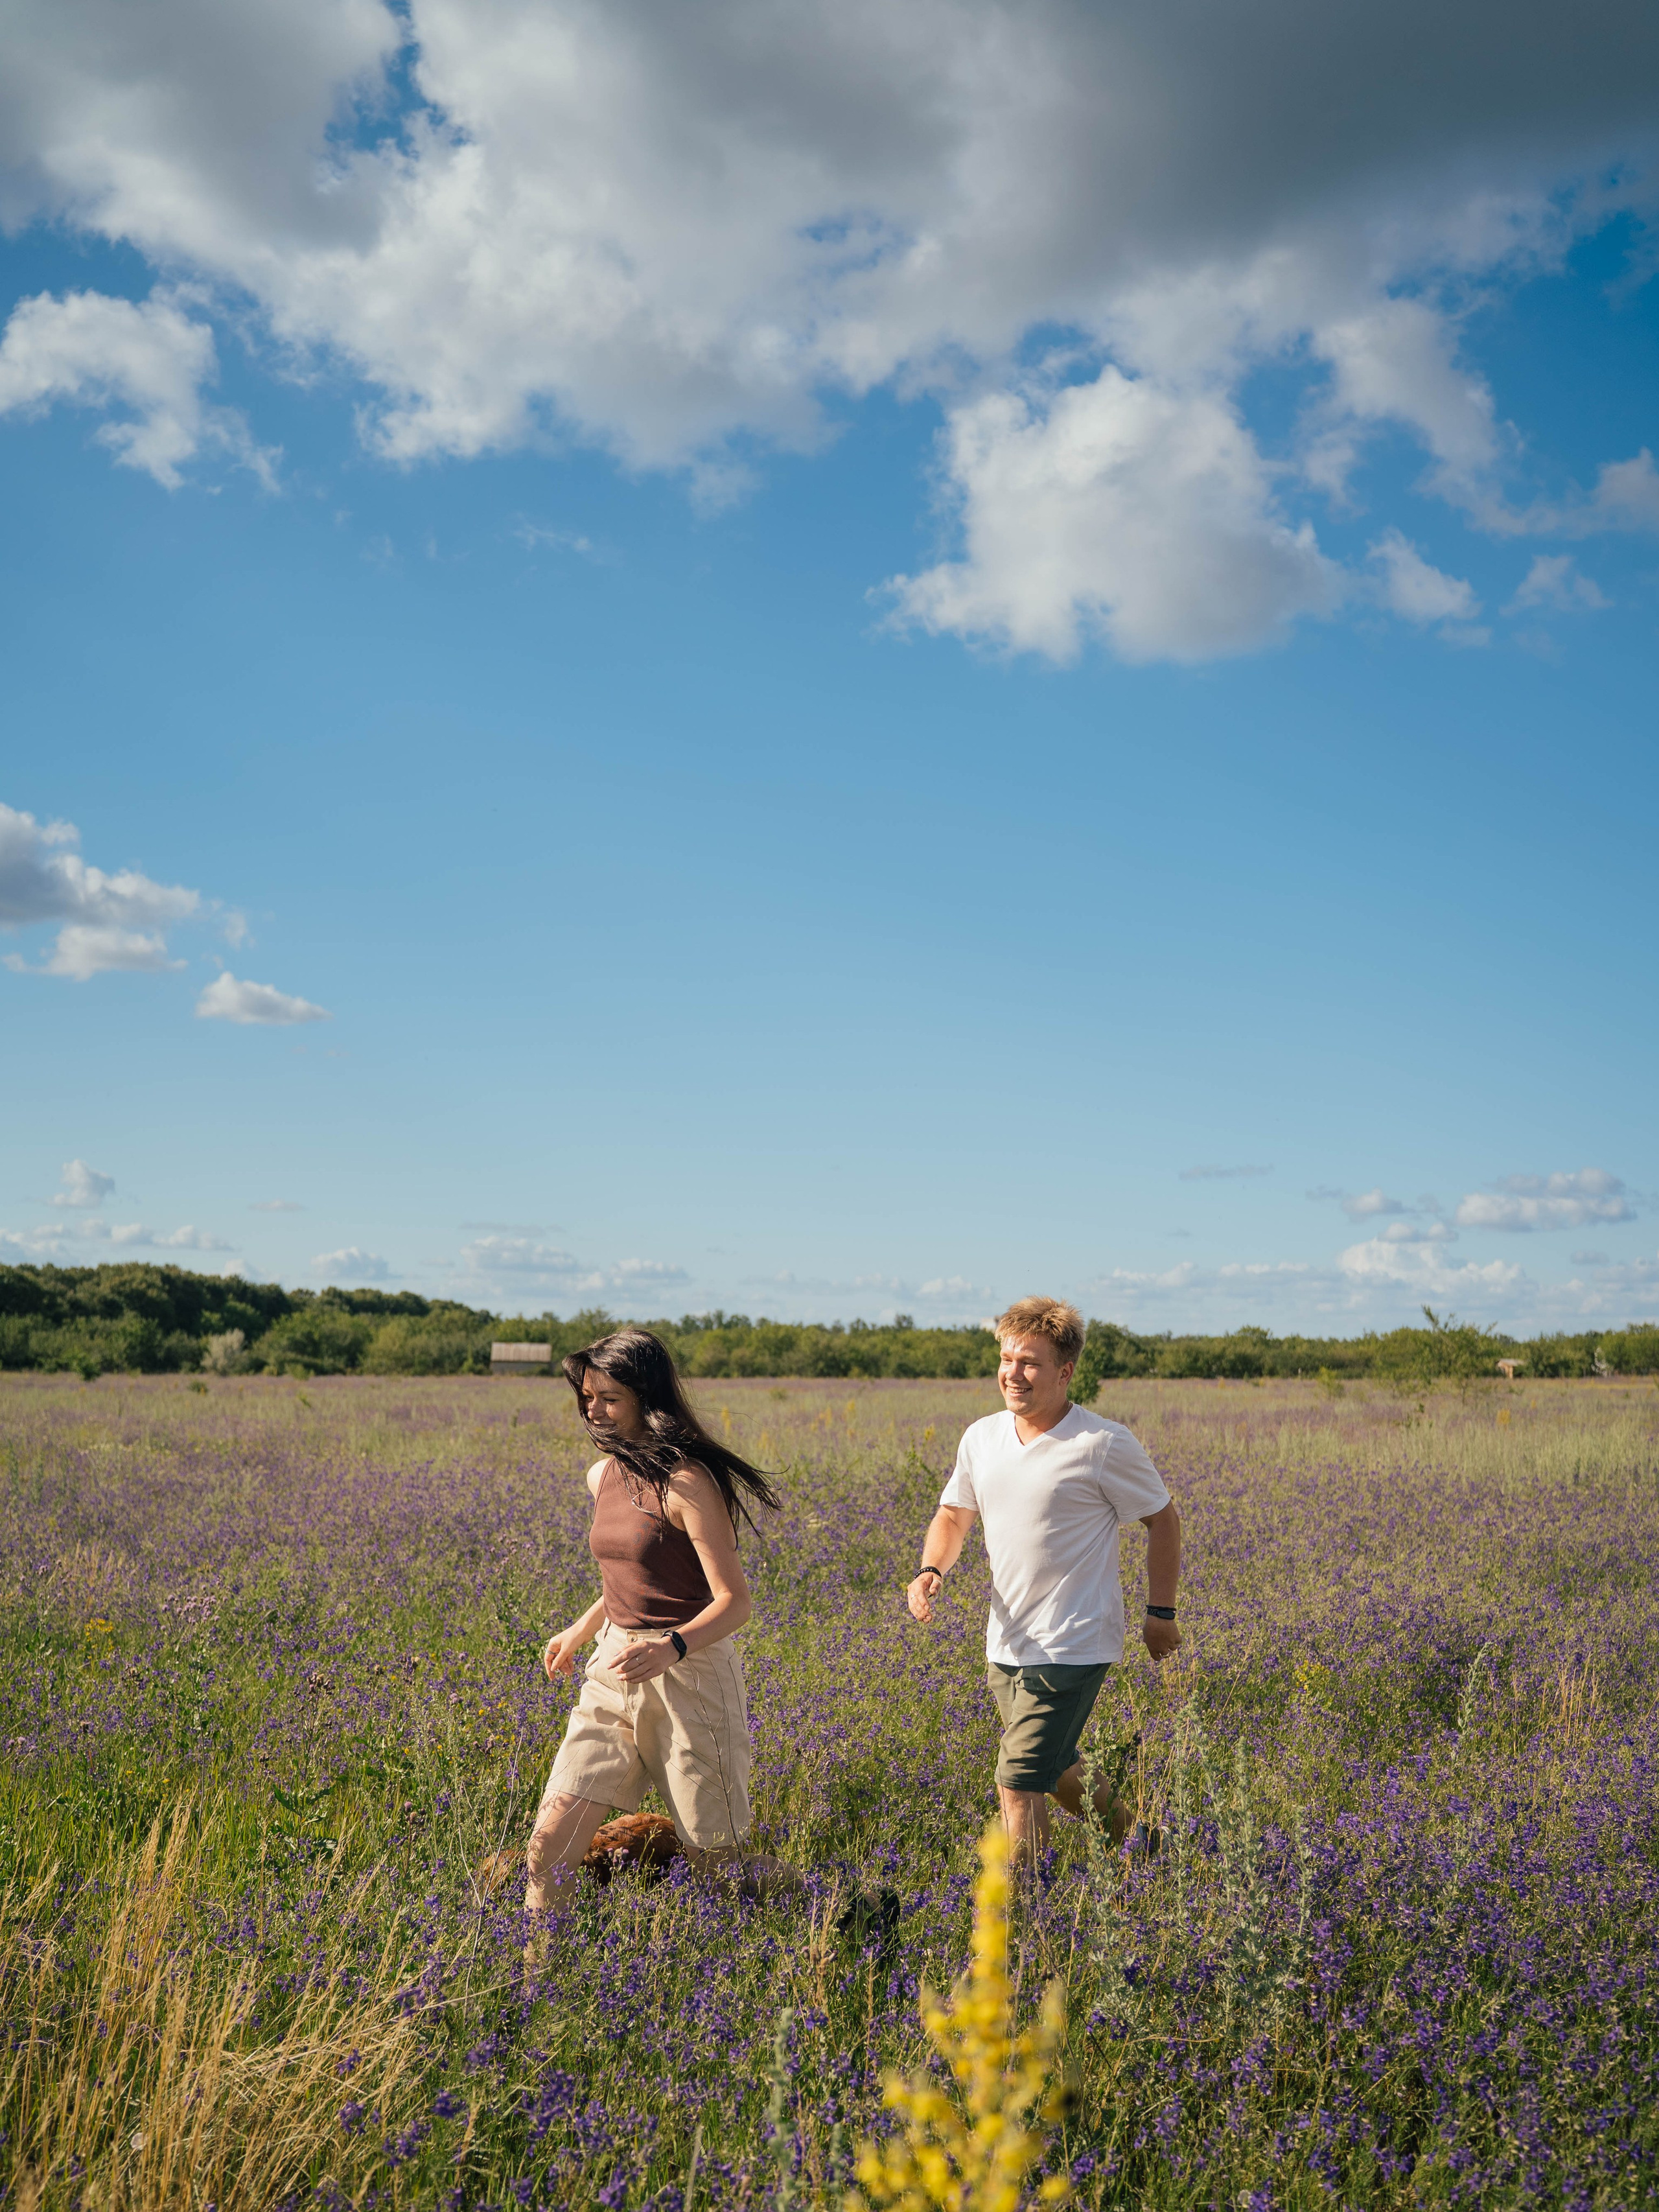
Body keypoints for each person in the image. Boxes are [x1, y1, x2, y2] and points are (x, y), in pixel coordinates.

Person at [907, 1296, 1181, 1865]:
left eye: (1030, 1362)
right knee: (1057, 1769)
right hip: (1006, 1642)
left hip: (1074, 1641)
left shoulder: (1101, 1443)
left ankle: (1030, 1914)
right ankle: (1145, 1847)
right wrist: (932, 1567)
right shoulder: (981, 1437)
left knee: (1018, 1778)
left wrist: (1162, 1613)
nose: (1013, 1373)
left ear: (1065, 1371)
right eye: (1007, 1359)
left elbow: (1163, 1518)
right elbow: (955, 1513)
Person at [524, 1327, 783, 1916]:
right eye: (587, 1396)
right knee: (548, 1850)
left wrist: (673, 1646)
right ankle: (535, 1992)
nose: (594, 1410)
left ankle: (847, 1906)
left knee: (719, 1869)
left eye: (609, 1397)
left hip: (690, 1673)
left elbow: (733, 1601)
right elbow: (631, 1574)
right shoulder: (603, 1476)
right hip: (613, 1667)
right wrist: (581, 1629)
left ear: (648, 1397)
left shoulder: (688, 1482)